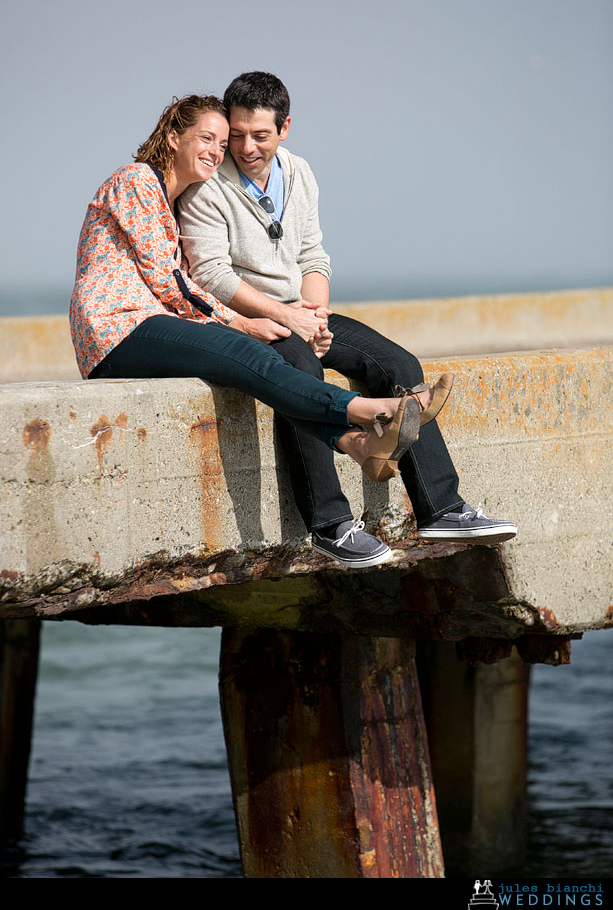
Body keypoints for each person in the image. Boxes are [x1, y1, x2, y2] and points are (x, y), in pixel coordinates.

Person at [69, 94, 453, 568]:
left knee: (263, 362)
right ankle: (377, 412)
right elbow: (174, 285)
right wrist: (241, 321)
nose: (217, 149)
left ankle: (356, 443)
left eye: (219, 140)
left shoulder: (170, 201)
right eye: (206, 138)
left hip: (151, 323)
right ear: (173, 137)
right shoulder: (136, 182)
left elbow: (179, 287)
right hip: (117, 332)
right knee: (256, 357)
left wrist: (279, 319)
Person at [177, 73, 517, 567]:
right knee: (299, 370)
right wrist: (286, 317)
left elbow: (313, 253)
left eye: (261, 135)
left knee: (399, 364)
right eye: (238, 134)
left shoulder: (300, 173)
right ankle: (330, 524)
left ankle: (441, 508)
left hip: (300, 308)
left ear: (285, 128)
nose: (247, 147)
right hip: (249, 319)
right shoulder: (209, 187)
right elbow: (210, 276)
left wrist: (315, 315)